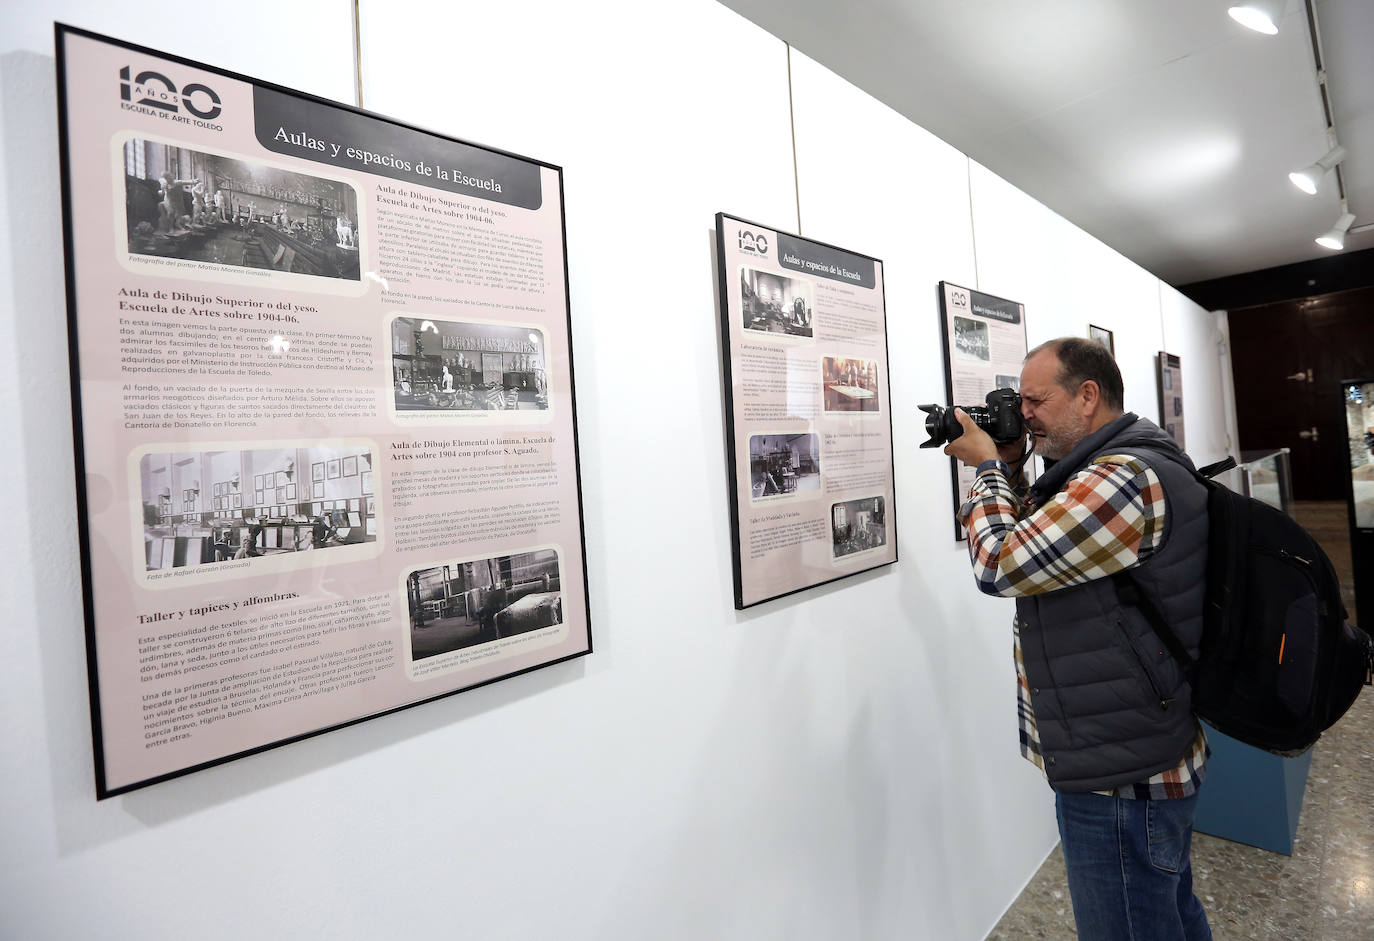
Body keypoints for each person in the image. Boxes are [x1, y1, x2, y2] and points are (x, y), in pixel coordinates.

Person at [943, 337, 1211, 941]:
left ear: (1088, 397)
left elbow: (1002, 563)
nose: (1024, 412)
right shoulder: (1113, 465)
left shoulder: (1124, 478)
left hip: (1121, 771)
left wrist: (987, 471)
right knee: (1168, 915)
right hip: (1130, 745)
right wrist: (1011, 466)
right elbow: (1046, 538)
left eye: (1035, 400)